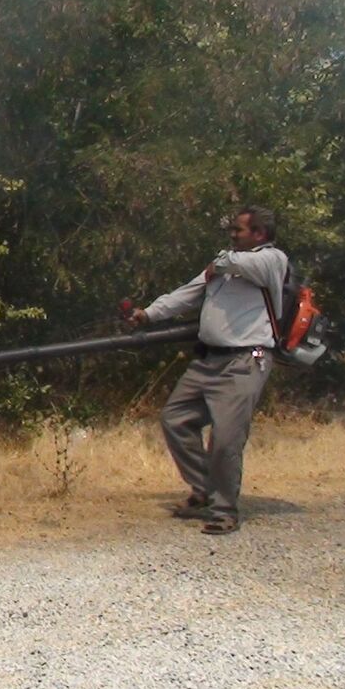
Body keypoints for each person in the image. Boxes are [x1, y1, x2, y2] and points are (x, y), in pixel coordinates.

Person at [125, 207, 288, 535]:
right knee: (175, 419)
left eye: (238, 230)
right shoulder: (224, 266)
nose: (232, 234)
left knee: (226, 440)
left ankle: (224, 509)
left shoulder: (271, 260)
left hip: (244, 362)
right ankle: (204, 490)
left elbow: (235, 261)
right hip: (208, 360)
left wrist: (221, 261)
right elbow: (186, 294)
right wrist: (149, 314)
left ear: (259, 234)